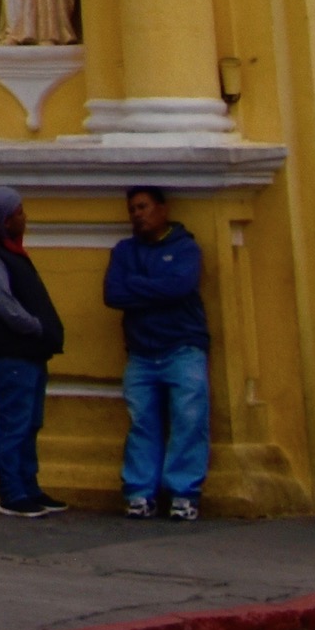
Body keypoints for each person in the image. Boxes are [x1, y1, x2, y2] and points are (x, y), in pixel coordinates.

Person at [103, 187, 207, 521]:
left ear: (162, 209)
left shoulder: (185, 248)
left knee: (189, 421)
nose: (137, 214)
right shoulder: (124, 251)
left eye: (143, 207)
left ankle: (183, 493)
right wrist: (157, 288)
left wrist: (137, 286)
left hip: (183, 349)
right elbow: (113, 293)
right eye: (132, 209)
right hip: (141, 354)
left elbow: (181, 287)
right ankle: (139, 492)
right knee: (142, 424)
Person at [0, 187, 64, 517]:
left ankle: (29, 486)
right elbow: (4, 306)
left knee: (30, 422)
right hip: (11, 354)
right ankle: (12, 492)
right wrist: (37, 327)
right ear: (5, 219)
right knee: (15, 422)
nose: (24, 217)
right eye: (19, 212)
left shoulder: (9, 251)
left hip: (28, 354)